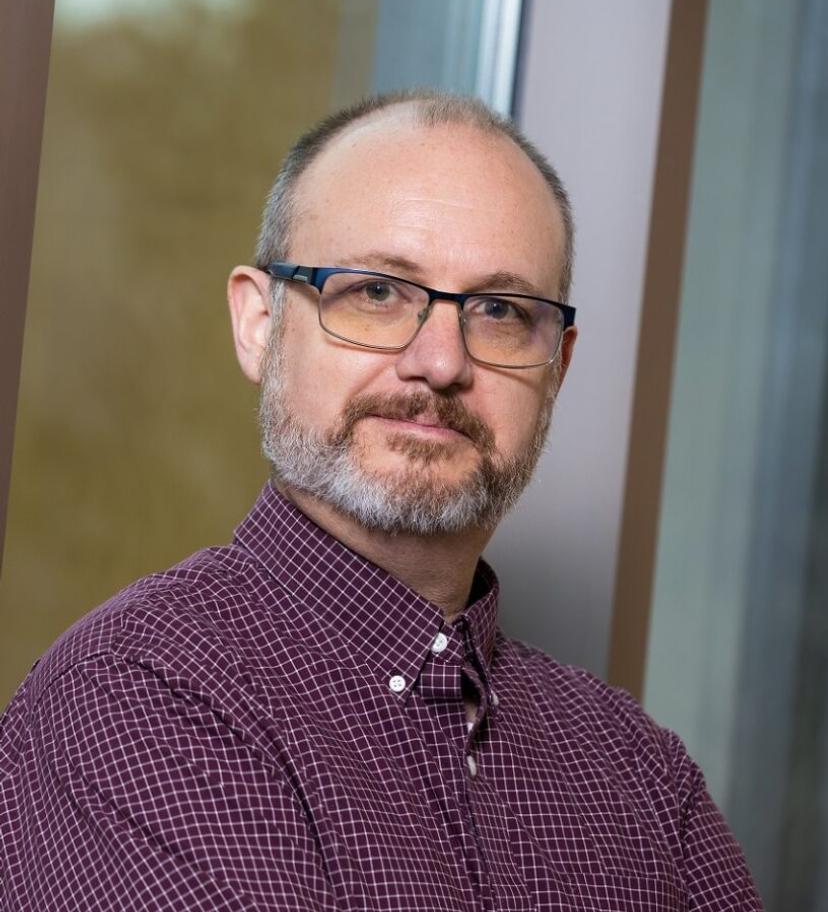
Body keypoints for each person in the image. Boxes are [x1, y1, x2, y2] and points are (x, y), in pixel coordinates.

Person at [0, 91, 762, 911]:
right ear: (260, 325)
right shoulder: (136, 698)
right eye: (376, 293)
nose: (440, 362)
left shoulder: (643, 778)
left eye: (500, 311)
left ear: (557, 370)